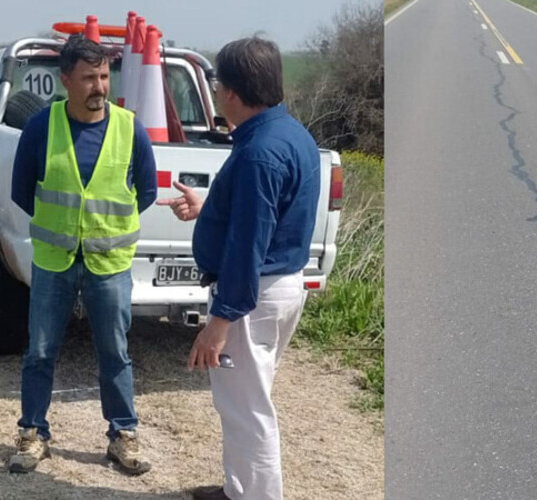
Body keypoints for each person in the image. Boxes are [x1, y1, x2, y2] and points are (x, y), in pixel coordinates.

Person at [157, 36, 320, 500]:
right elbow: (267, 214)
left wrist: (219, 321)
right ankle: (240, 489)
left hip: (255, 295)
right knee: (247, 401)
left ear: (228, 92)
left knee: (247, 409)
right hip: (278, 286)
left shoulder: (257, 153)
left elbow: (249, 242)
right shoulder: (289, 135)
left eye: (216, 85)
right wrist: (210, 207)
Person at [8, 34, 157, 475]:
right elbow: (22, 191)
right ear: (65, 80)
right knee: (39, 351)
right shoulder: (41, 127)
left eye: (105, 76)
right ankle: (33, 434)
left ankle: (123, 436)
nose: (99, 86)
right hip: (54, 260)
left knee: (114, 352)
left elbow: (144, 193)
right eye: (89, 77)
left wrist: (98, 231)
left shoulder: (130, 130)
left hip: (108, 264)